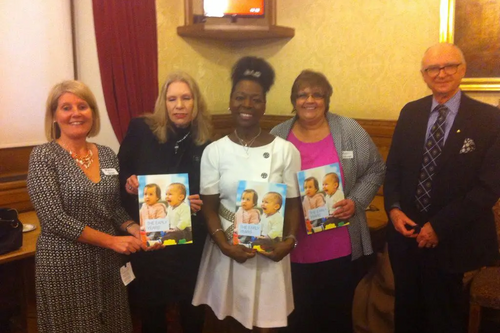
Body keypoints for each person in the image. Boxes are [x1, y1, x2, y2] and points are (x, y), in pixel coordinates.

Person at [384, 43, 500, 333]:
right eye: (432, 68)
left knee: (445, 319)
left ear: (462, 69)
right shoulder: (410, 113)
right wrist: (394, 209)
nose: (441, 73)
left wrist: (439, 226)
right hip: (407, 239)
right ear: (424, 75)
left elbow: (488, 188)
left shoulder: (489, 119)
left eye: (449, 65)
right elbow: (394, 169)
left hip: (455, 240)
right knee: (407, 315)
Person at [192, 56, 302, 332]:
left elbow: (292, 204)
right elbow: (209, 207)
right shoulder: (214, 151)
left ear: (264, 105)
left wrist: (289, 241)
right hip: (226, 245)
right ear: (230, 101)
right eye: (240, 97)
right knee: (225, 320)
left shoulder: (285, 151)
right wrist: (223, 244)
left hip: (270, 247)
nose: (247, 105)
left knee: (266, 323)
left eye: (255, 99)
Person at [271, 69, 385, 333]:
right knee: (296, 321)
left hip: (338, 245)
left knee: (335, 319)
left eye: (317, 94)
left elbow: (376, 168)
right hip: (293, 247)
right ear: (293, 100)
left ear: (327, 99)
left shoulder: (348, 130)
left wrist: (356, 201)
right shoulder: (278, 135)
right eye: (302, 95)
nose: (309, 100)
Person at [27, 80, 146, 332]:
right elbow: (54, 219)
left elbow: (113, 207)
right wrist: (113, 241)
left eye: (82, 106)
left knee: (114, 325)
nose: (76, 113)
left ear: (92, 112)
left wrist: (133, 226)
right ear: (54, 116)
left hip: (107, 263)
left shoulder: (106, 154)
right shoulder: (43, 156)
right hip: (64, 263)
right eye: (66, 107)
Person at [118, 71, 212, 333]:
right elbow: (120, 169)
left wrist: (199, 201)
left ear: (196, 103)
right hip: (151, 240)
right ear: (163, 102)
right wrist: (128, 182)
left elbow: (211, 189)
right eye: (172, 99)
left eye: (186, 98)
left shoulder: (206, 143)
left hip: (188, 242)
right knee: (152, 311)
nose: (179, 106)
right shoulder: (141, 129)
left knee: (192, 311)